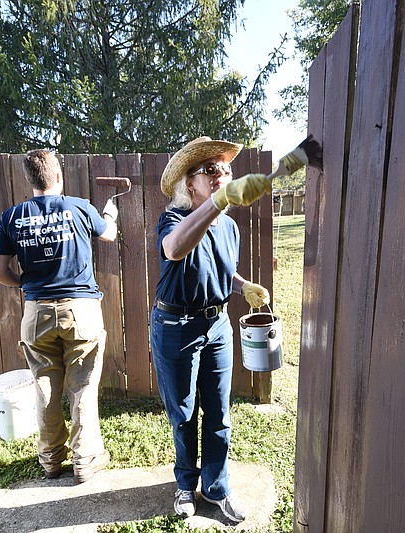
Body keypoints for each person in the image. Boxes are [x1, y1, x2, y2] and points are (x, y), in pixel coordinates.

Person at [150, 136, 272, 522]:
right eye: (211, 169)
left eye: (226, 169)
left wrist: (242, 285)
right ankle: (186, 485)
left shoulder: (229, 228)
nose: (223, 174)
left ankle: (216, 486)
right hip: (176, 326)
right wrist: (217, 203)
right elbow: (174, 249)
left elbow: (222, 270)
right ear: (191, 183)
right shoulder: (173, 219)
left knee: (219, 411)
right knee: (184, 413)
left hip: (216, 324)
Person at [0, 149, 118, 483]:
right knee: (83, 386)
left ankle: (50, 460)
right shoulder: (80, 207)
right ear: (58, 175)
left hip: (37, 312)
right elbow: (109, 234)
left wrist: (24, 285)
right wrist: (110, 214)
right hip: (81, 310)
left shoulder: (12, 217)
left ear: (30, 180)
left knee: (44, 387)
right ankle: (86, 460)